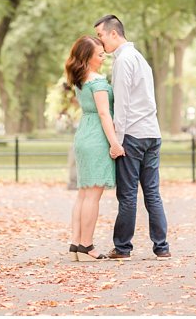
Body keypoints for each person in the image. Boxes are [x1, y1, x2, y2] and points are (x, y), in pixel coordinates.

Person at [95, 15, 170, 260]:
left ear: (114, 34)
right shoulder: (140, 59)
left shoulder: (123, 61)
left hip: (133, 135)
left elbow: (123, 105)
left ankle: (123, 247)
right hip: (152, 133)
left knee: (127, 194)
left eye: (101, 36)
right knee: (152, 192)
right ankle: (162, 247)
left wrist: (116, 141)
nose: (100, 41)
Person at [66, 35, 121, 261]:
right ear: (87, 57)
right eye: (99, 55)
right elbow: (103, 113)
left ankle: (76, 244)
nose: (104, 58)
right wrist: (115, 143)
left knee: (83, 194)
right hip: (97, 137)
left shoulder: (80, 79)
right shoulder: (97, 81)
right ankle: (87, 246)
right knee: (93, 197)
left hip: (83, 135)